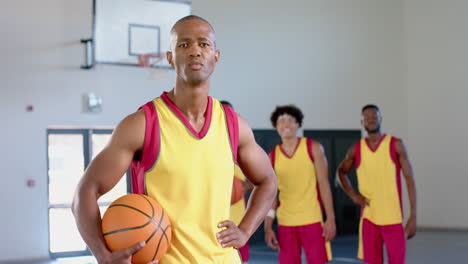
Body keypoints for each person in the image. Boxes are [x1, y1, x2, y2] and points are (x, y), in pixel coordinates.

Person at [72, 15, 277, 264]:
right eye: (184, 44)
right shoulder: (142, 124)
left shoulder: (235, 126)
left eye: (204, 44)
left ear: (216, 56)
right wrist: (103, 255)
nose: (195, 52)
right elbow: (85, 190)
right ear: (170, 58)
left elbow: (268, 181)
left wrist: (244, 231)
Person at [337, 104, 417, 264]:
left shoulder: (396, 144)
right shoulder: (356, 149)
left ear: (381, 118)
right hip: (369, 218)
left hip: (393, 218)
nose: (371, 119)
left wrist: (413, 215)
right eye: (366, 117)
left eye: (374, 116)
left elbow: (409, 180)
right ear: (362, 122)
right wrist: (353, 195)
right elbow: (340, 172)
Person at [264, 105, 336, 264]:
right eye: (281, 121)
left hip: (312, 219)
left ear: (298, 124)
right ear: (276, 127)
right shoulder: (272, 157)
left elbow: (324, 186)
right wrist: (268, 226)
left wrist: (330, 218)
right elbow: (271, 197)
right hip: (285, 222)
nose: (286, 124)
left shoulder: (314, 148)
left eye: (291, 120)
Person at [220, 100, 254, 264]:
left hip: (237, 223)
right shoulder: (206, 146)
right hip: (213, 222)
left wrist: (240, 187)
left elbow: (256, 181)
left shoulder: (241, 147)